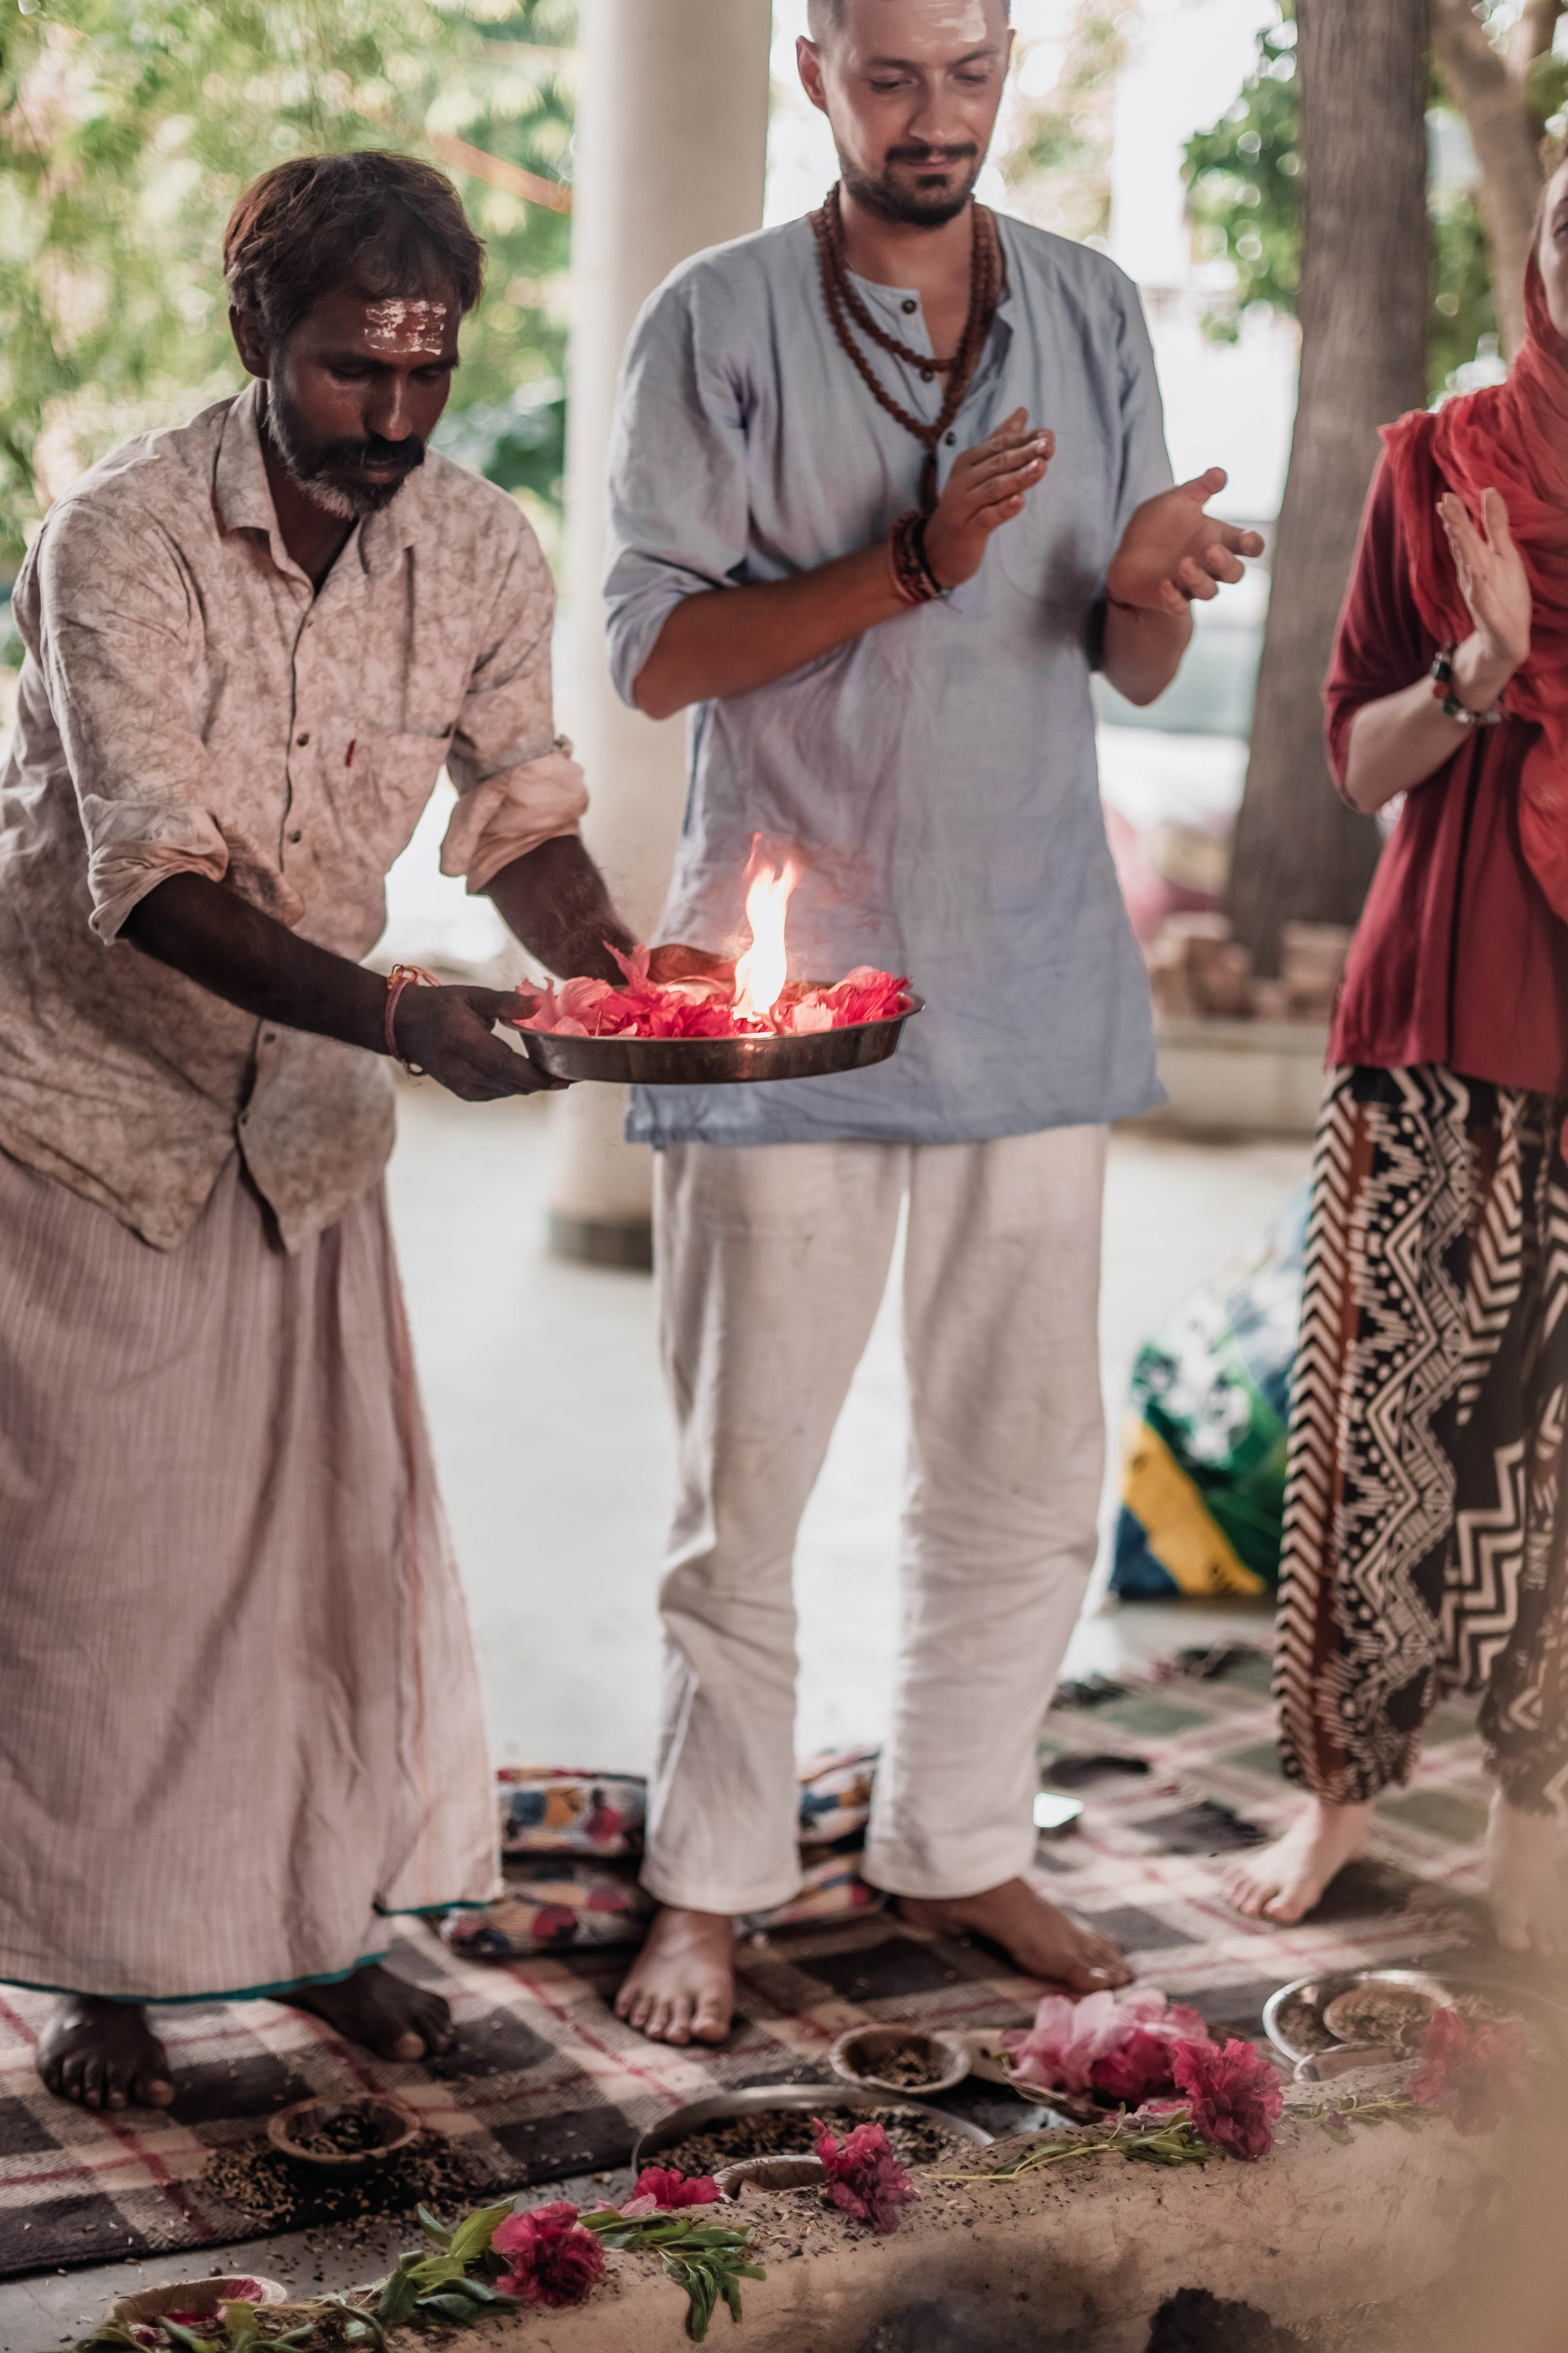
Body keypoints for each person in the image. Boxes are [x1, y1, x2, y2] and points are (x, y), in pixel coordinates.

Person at [603, 0, 1262, 2047]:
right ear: (813, 68)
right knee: (752, 1476)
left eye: (968, 73)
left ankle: (960, 1835)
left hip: (1032, 962)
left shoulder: (1087, 306)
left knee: (1022, 1461)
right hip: (793, 997)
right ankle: (712, 1884)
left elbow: (1131, 660)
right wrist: (911, 558)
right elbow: (653, 655)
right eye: (890, 77)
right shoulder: (710, 320)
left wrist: (1155, 576)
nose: (934, 118)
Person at [0, 151, 638, 2108]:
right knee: (105, 1572)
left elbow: (523, 815)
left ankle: (322, 1931)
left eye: (427, 375)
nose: (395, 419)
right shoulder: (118, 542)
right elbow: (152, 883)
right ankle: (96, 1964)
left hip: (311, 1130)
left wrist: (621, 964)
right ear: (257, 333)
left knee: (325, 1570)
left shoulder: (475, 547)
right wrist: (402, 1017)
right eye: (356, 372)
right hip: (92, 1111)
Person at [1224, 165, 1568, 1955]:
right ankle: (1342, 1790)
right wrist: (1484, 668)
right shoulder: (1440, 459)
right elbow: (1355, 765)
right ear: (1540, 247)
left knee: (1562, 1454)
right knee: (1385, 1428)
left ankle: (1534, 1812)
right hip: (1443, 1007)